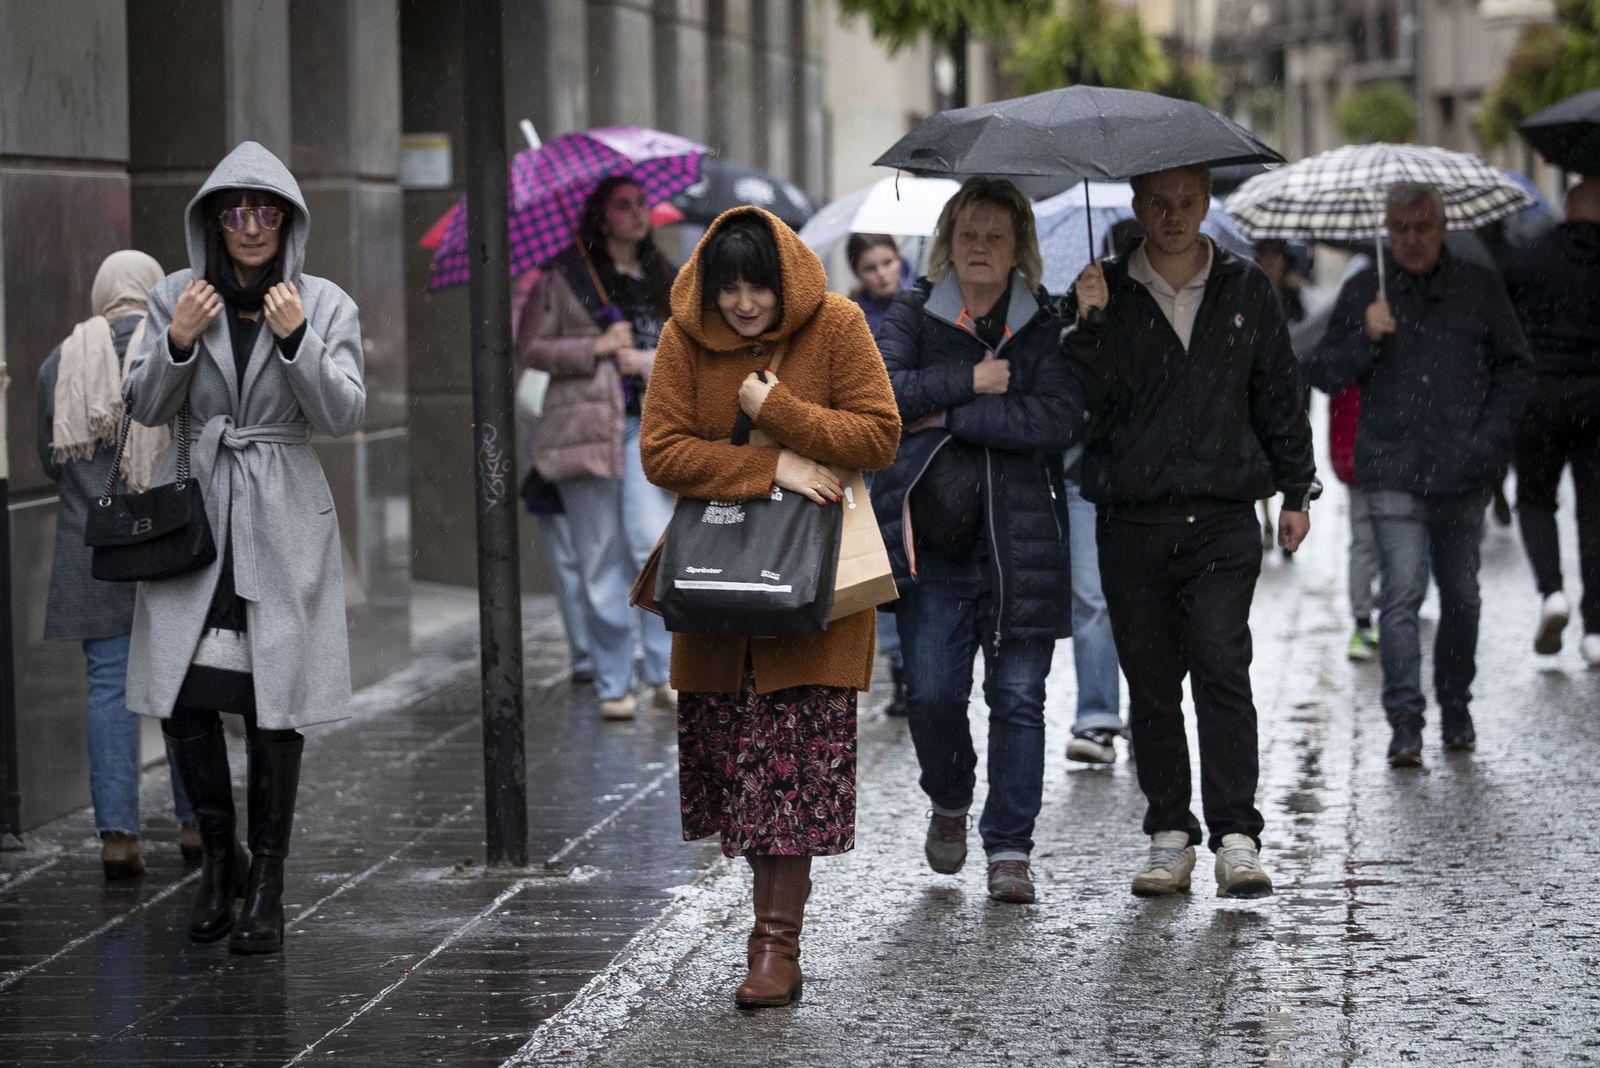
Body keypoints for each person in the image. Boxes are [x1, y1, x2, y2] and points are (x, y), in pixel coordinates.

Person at [639, 208, 900, 1008]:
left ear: (784, 278)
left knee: (784, 783)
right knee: (740, 784)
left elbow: (878, 436)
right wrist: (773, 466)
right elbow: (661, 450)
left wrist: (777, 409)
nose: (746, 305)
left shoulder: (839, 324)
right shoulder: (684, 340)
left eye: (758, 287)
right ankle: (772, 936)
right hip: (722, 598)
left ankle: (774, 950)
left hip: (813, 600)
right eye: (730, 290)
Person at [124, 141, 366, 954]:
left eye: (266, 211)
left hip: (282, 512)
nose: (251, 226)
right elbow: (147, 405)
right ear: (212, 221)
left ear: (289, 221)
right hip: (196, 511)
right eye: (235, 211)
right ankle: (216, 862)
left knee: (275, 703)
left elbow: (342, 416)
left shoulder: (324, 301)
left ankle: (269, 879)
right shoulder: (172, 295)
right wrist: (180, 340)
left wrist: (297, 341)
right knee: (186, 696)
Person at [1069, 164, 1316, 899]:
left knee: (1220, 664)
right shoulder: (1103, 289)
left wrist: (1297, 488)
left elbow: (1278, 391)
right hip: (1131, 516)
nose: (1173, 216)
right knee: (1150, 684)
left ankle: (1237, 835)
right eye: (1158, 203)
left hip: (1221, 515)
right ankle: (1168, 834)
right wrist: (1087, 324)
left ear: (1207, 203)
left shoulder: (1245, 288)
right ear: (1137, 205)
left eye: (1186, 202)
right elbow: (1079, 407)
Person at [874, 177, 1083, 905]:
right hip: (935, 548)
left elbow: (1056, 420)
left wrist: (955, 415)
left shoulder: (1045, 324)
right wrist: (973, 378)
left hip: (1023, 545)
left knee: (1020, 699)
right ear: (948, 243)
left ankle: (1010, 848)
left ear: (1019, 246)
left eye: (996, 236)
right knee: (932, 696)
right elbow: (884, 394)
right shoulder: (911, 311)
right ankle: (951, 796)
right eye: (969, 235)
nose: (981, 249)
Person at [1306, 181, 1530, 766]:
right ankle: (1405, 722)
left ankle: (1455, 706)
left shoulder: (1478, 288)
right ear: (1386, 229)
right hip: (1392, 469)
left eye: (1422, 226)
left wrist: (1487, 441)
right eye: (1399, 227)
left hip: (1462, 471)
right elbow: (1326, 372)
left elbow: (1515, 368)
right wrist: (1366, 335)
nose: (1410, 239)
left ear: (1442, 226)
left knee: (1461, 596)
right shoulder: (1365, 289)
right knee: (1400, 597)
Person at [36, 250, 197, 880]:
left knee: (109, 689)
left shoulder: (59, 361)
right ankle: (195, 825)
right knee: (181, 687)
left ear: (102, 292)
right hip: (169, 544)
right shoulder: (176, 348)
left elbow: (51, 459)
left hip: (94, 550)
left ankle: (118, 840)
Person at [519, 176, 678, 720]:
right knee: (598, 559)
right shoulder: (563, 278)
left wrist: (647, 361)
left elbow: (691, 347)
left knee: (649, 545)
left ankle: (663, 669)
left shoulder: (665, 276)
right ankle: (615, 682)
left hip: (647, 428)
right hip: (585, 431)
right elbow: (530, 347)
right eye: (624, 206)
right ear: (601, 218)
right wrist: (595, 346)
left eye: (642, 203)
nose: (638, 214)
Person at [1503, 178, 1600, 667]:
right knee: (1595, 510)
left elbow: (1506, 324)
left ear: (1567, 209)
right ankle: (1596, 629)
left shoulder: (1530, 257)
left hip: (1537, 397)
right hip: (1597, 400)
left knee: (1537, 500)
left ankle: (1551, 594)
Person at [847, 232, 910, 717]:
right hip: (872, 453)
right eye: (871, 267)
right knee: (881, 560)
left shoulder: (924, 304)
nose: (882, 273)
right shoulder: (850, 318)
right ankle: (898, 666)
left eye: (888, 262)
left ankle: (916, 658)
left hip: (919, 449)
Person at [1329, 384, 1381, 661]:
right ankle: (1367, 619)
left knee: (1365, 543)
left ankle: (1367, 620)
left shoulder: (1343, 349)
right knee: (1371, 543)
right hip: (1368, 456)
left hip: (1357, 456)